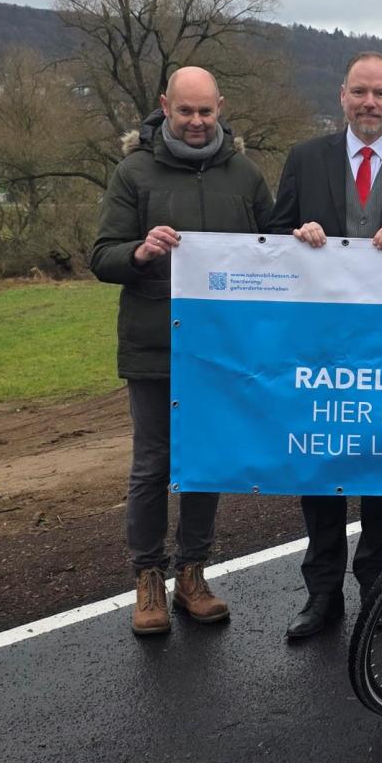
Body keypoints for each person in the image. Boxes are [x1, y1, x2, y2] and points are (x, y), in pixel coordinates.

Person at [272, 51, 382, 640]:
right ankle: (321, 592)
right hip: (320, 346)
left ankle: (377, 581)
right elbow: (270, 241)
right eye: (359, 93)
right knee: (320, 462)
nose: (369, 103)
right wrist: (297, 236)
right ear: (342, 96)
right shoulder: (305, 158)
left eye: (380, 94)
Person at [90, 66, 274, 636]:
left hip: (220, 348)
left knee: (206, 459)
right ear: (166, 106)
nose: (196, 122)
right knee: (153, 464)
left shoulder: (245, 176)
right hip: (154, 344)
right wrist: (140, 251)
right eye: (185, 111)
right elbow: (101, 256)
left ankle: (192, 572)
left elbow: (275, 253)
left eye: (206, 112)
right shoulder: (133, 172)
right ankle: (148, 576)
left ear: (220, 108)